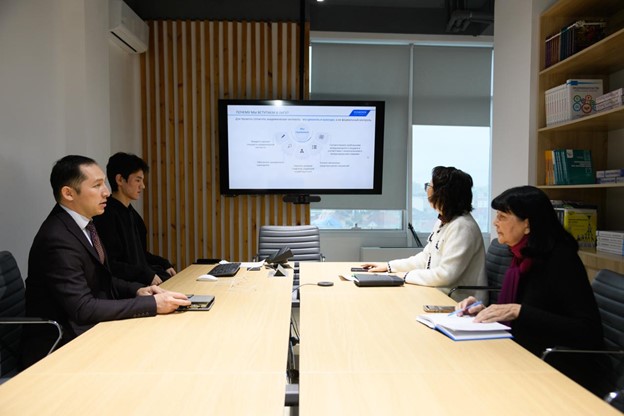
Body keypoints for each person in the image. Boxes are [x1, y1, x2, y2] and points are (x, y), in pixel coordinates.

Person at [22, 155, 190, 367]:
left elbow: (102, 279)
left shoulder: (85, 225)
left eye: (104, 184)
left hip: (88, 330)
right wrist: (152, 305)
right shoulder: (57, 238)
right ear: (68, 193)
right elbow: (83, 308)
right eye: (97, 185)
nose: (107, 192)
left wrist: (139, 291)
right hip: (62, 345)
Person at [456, 185, 607, 396]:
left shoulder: (560, 260)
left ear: (527, 224)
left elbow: (587, 331)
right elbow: (520, 308)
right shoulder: (522, 256)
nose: (495, 223)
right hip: (524, 352)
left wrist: (519, 311)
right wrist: (484, 310)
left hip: (558, 368)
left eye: (502, 217)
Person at [362, 166, 486, 297]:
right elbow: (425, 258)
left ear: (443, 193)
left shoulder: (462, 227)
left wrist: (405, 276)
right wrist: (389, 266)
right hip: (438, 293)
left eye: (429, 186)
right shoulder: (444, 220)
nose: (427, 190)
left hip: (458, 301)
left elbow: (446, 275)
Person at [94, 152, 175, 286]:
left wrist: (163, 263)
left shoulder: (133, 215)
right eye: (138, 180)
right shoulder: (105, 216)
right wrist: (145, 274)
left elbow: (139, 255)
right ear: (120, 180)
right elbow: (110, 263)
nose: (142, 186)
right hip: (126, 288)